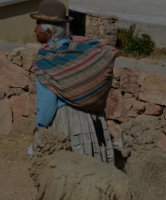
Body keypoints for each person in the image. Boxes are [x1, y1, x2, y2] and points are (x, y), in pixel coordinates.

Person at [30, 0, 116, 164]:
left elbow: (47, 104)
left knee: (71, 173)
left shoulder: (47, 60)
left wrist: (40, 127)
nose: (34, 29)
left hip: (68, 123)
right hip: (93, 120)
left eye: (37, 24)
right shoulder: (77, 49)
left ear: (48, 32)